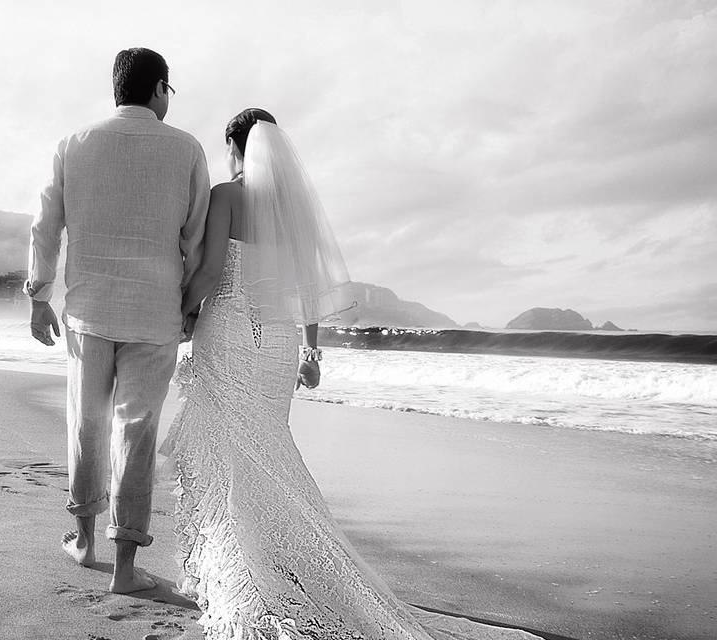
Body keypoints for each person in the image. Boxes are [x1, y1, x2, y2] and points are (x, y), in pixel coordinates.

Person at [160, 109, 541, 639]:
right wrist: (311, 354)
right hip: (278, 347)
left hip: (228, 334)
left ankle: (244, 565)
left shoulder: (227, 196)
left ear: (235, 146)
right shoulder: (293, 212)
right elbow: (308, 292)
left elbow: (206, 273)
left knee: (227, 452)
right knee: (269, 450)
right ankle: (274, 555)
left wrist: (178, 313)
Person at [26, 47, 210, 594]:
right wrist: (190, 306)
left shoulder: (73, 144)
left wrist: (38, 293)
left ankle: (83, 541)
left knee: (86, 420)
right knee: (137, 430)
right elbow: (194, 238)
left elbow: (45, 223)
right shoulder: (188, 149)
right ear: (159, 89)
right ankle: (126, 566)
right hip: (155, 313)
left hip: (89, 308)